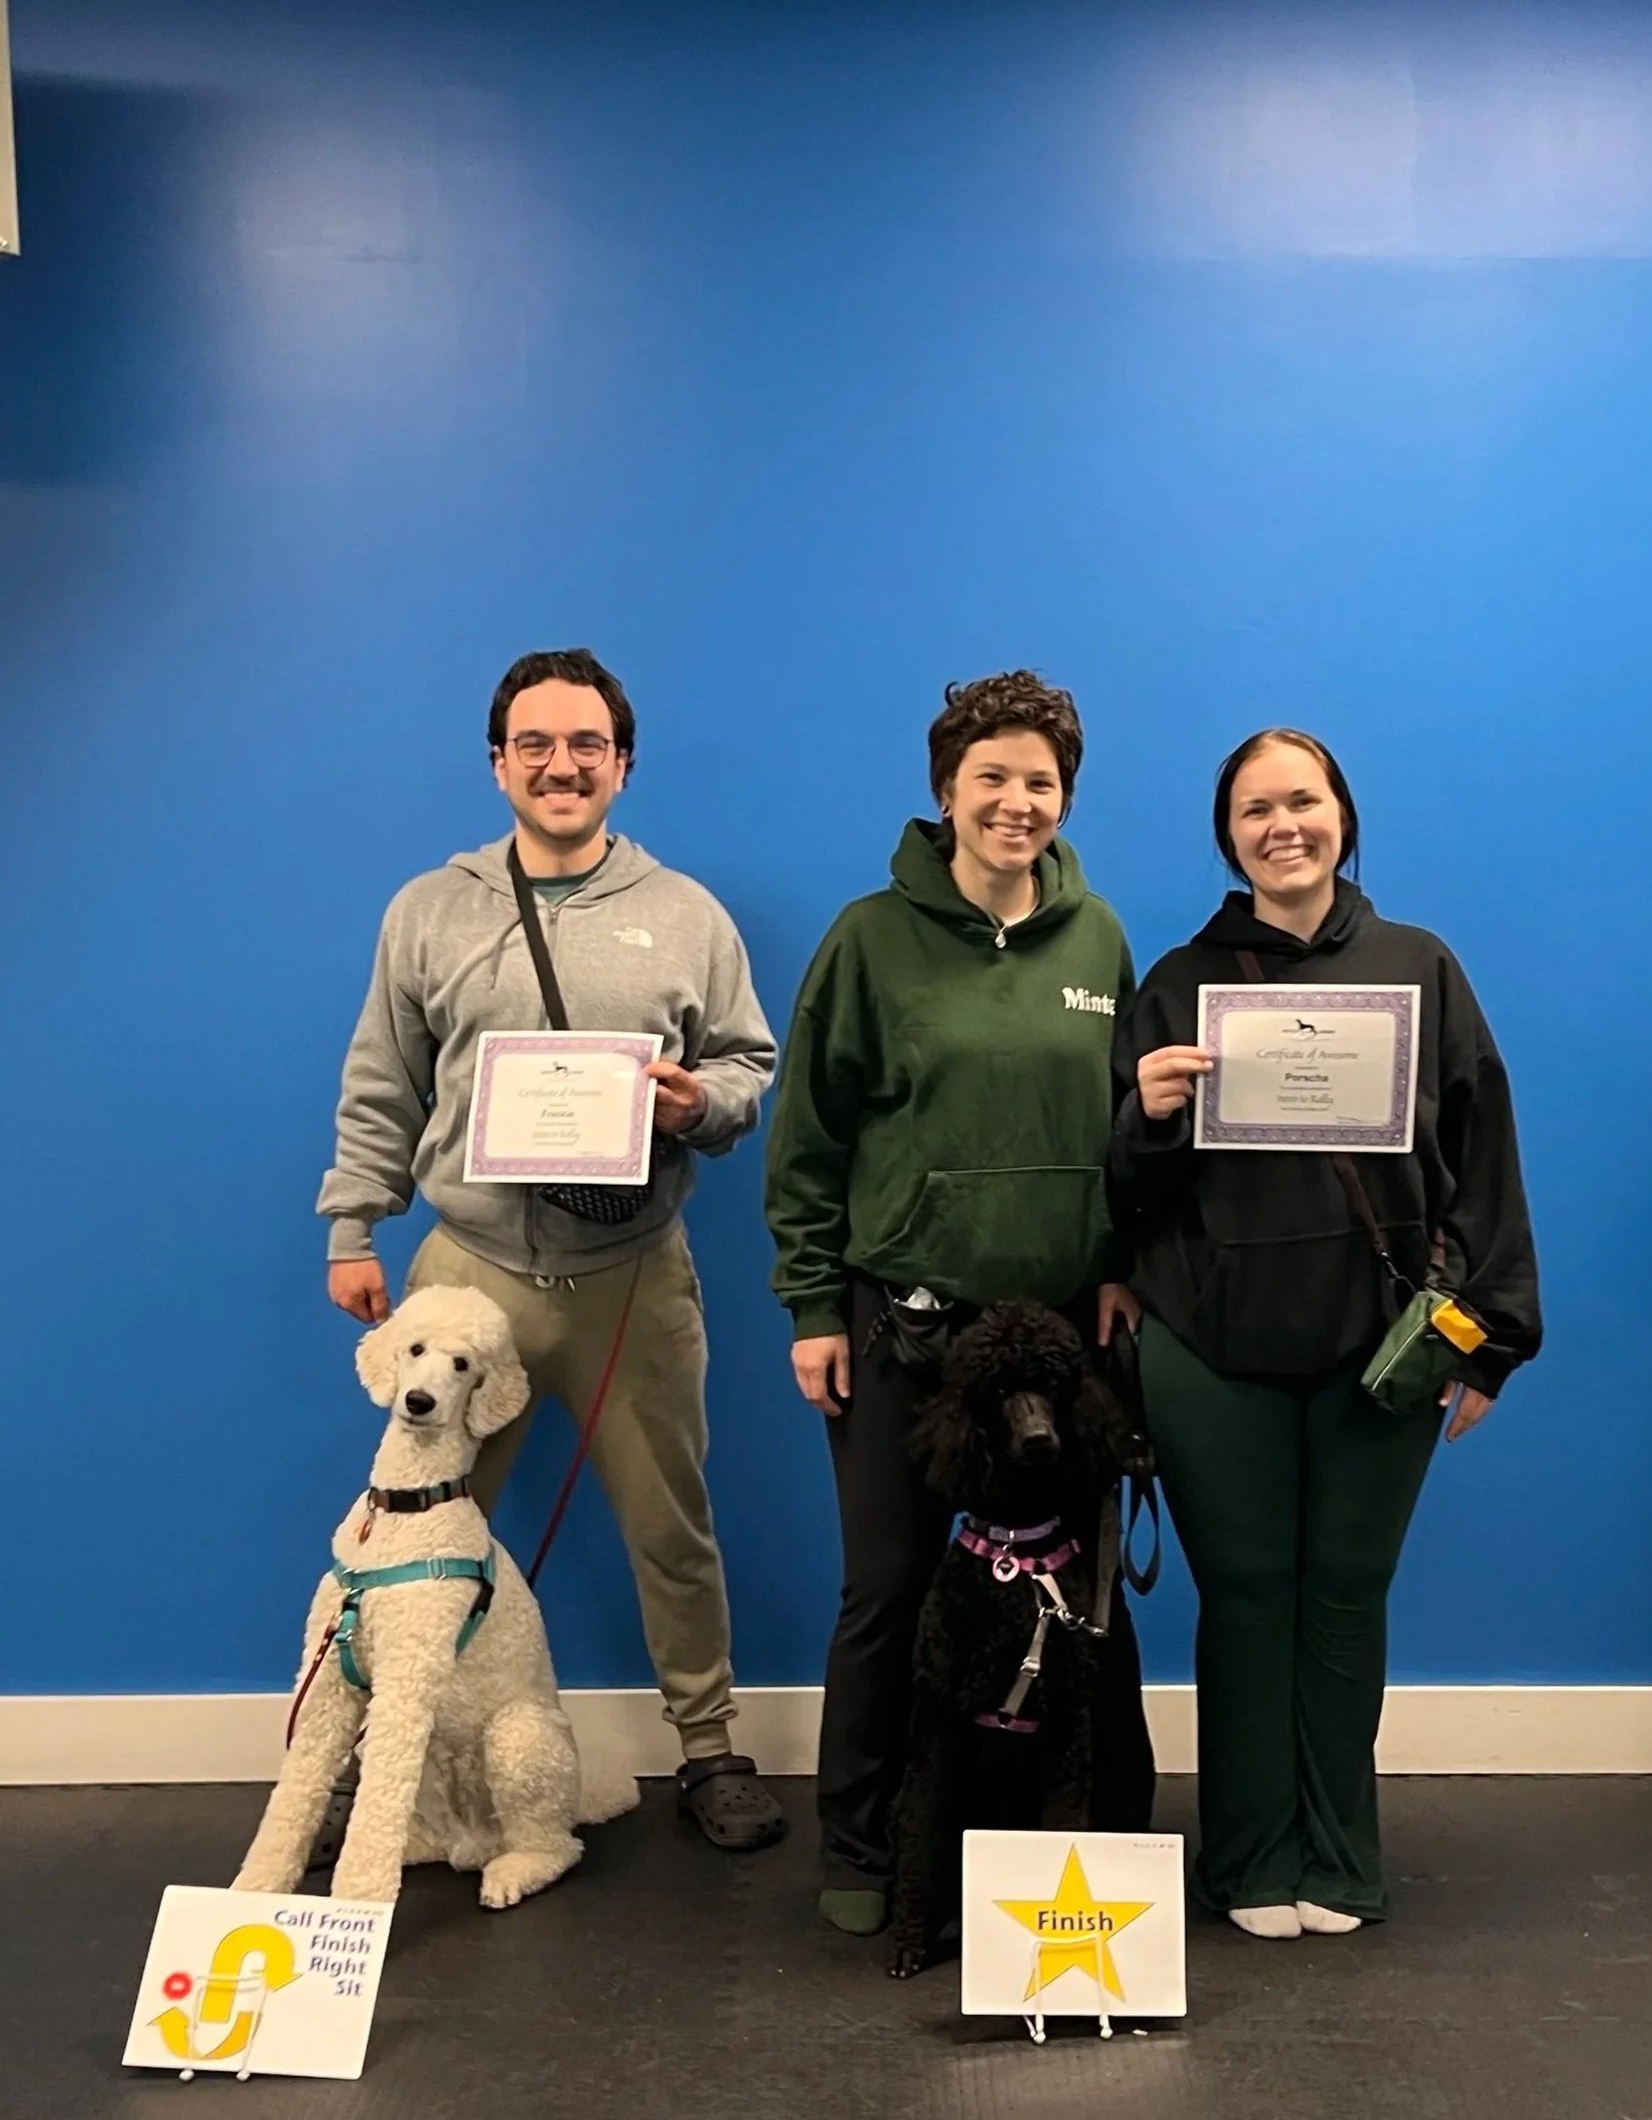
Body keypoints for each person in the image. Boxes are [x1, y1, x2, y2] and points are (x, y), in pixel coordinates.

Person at [318, 648, 784, 1853]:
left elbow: (748, 1062)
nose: (561, 764)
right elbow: (383, 1078)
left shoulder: (687, 914)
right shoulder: (430, 907)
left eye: (586, 744)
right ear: (498, 763)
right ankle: (382, 1764)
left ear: (621, 764)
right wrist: (353, 1223)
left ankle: (709, 1745)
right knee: (417, 1532)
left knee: (668, 1521)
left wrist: (701, 1106)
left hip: (632, 1272)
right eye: (535, 743)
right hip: (466, 1272)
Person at [1109, 728, 1541, 1937]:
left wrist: (1490, 1339)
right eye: (1254, 808)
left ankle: (1340, 1854)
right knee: (1243, 1599)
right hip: (1208, 1350)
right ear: (1226, 832)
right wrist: (1143, 1115)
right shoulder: (1178, 979)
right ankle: (1248, 1856)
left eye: (1302, 801)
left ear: (1342, 816)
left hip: (1383, 1350)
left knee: (1346, 1597)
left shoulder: (1422, 966)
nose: (1280, 825)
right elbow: (1121, 1197)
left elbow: (1483, 1161)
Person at [764, 670, 1146, 1937]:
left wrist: (1118, 1272)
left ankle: (1079, 1842)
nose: (1015, 801)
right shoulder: (868, 937)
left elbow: (1123, 1138)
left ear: (1063, 799)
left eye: (1039, 781)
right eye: (991, 776)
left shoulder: (1098, 943)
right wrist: (815, 1304)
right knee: (888, 1588)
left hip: (1058, 1337)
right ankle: (863, 1845)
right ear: (945, 791)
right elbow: (808, 1139)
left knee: (1078, 1597)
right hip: (903, 1324)